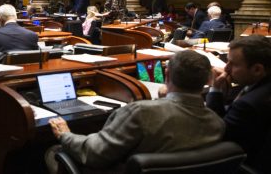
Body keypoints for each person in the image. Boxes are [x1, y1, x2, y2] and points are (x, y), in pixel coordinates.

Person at [45, 50, 224, 173]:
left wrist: (65, 134)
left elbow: (94, 154)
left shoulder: (141, 113)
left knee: (54, 151)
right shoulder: (217, 123)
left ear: (167, 75)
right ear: (208, 80)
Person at [206, 35, 271, 172]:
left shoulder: (249, 105)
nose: (226, 68)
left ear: (257, 69)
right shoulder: (260, 84)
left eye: (233, 64)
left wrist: (214, 89)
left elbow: (215, 133)